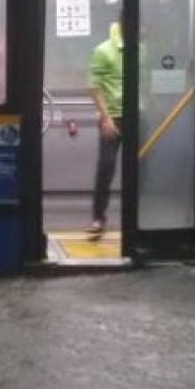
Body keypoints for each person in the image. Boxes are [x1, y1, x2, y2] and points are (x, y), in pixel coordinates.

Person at [88, 20, 124, 237]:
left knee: (143, 172)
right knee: (106, 167)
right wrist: (106, 118)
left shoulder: (143, 48)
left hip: (140, 116)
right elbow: (95, 86)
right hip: (114, 118)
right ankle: (98, 218)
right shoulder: (103, 51)